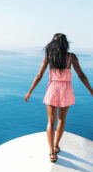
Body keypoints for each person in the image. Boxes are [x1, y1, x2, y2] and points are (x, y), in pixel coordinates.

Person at [24, 33, 93, 162]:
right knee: (61, 119)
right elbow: (81, 75)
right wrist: (91, 90)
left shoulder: (49, 57)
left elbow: (39, 75)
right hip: (66, 90)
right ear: (65, 44)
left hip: (52, 89)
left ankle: (51, 153)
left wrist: (30, 91)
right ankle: (56, 146)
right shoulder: (71, 57)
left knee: (51, 121)